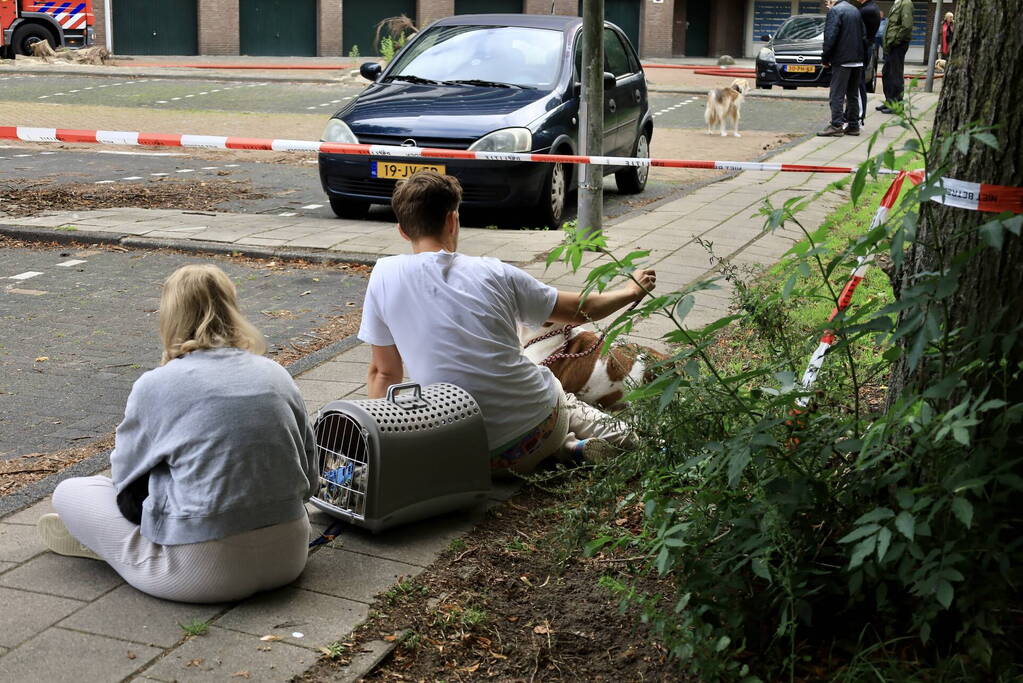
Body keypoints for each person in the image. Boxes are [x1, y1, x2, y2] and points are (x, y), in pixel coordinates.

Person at [37, 264, 319, 604]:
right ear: (233, 308)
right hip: (289, 557)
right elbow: (310, 476)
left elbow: (124, 483)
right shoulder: (277, 374)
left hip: (202, 574)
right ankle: (118, 544)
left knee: (72, 490)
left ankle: (116, 547)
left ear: (169, 315)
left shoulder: (157, 384)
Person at [358, 171, 655, 475]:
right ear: (452, 221)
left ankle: (568, 450)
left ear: (403, 231)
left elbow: (384, 372)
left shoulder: (383, 276)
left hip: (466, 452)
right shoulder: (495, 273)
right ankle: (627, 442)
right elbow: (582, 310)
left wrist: (382, 449)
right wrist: (632, 291)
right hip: (539, 429)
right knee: (559, 397)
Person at [818, 0, 867, 137]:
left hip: (842, 60)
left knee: (837, 94)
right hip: (857, 60)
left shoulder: (836, 11)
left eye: (828, 1)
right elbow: (864, 36)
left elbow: (830, 36)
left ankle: (836, 125)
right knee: (852, 94)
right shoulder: (855, 10)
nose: (828, 4)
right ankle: (853, 125)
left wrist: (825, 58)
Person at [879, 0, 914, 114]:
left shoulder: (906, 3)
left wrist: (896, 40)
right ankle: (889, 101)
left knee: (895, 74)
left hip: (897, 45)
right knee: (887, 73)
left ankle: (897, 105)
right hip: (891, 45)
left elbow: (907, 26)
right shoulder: (897, 3)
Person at [854, 0, 882, 128]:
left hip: (863, 50)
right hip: (866, 48)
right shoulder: (871, 7)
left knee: (859, 84)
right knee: (858, 83)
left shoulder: (866, 10)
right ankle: (856, 115)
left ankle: (859, 116)